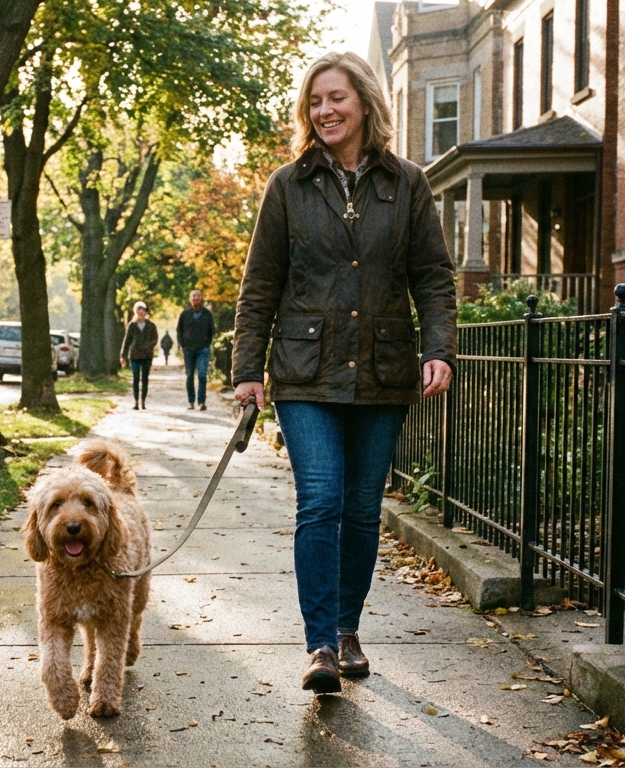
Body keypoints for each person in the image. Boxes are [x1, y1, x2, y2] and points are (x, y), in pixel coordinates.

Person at [231, 52, 456, 695]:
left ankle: (349, 630)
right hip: (304, 372)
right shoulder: (288, 185)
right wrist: (248, 370)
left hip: (384, 372)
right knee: (322, 499)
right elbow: (259, 286)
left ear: (363, 103)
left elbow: (434, 278)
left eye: (336, 98)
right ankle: (320, 645)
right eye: (315, 101)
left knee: (361, 509)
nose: (325, 110)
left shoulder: (407, 182)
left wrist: (439, 347)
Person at [177, 289, 216, 411]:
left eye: (198, 296)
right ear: (190, 299)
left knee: (202, 375)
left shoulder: (207, 314)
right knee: (189, 375)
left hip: (202, 349)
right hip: (188, 349)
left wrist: (207, 343)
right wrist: (181, 344)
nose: (196, 298)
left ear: (202, 298)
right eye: (193, 296)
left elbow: (212, 330)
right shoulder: (185, 314)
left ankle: (201, 401)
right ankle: (191, 401)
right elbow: (179, 330)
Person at [119, 301, 159, 410]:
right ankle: (136, 401)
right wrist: (122, 356)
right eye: (138, 310)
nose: (140, 312)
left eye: (142, 310)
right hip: (135, 356)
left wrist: (148, 346)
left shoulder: (151, 326)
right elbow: (126, 341)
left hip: (147, 356)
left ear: (146, 312)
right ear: (135, 312)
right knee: (136, 378)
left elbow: (155, 339)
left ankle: (143, 401)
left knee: (145, 378)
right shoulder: (132, 326)